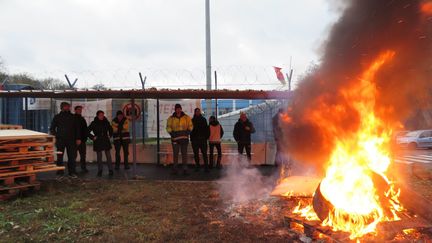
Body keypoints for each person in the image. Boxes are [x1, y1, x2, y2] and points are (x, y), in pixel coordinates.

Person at [50, 102, 81, 178]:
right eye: (66, 106)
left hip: (72, 140)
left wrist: (78, 138)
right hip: (60, 140)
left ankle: (72, 172)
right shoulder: (57, 117)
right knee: (60, 156)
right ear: (62, 107)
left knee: (72, 156)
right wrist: (57, 136)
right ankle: (60, 172)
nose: (68, 108)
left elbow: (77, 129)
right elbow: (52, 128)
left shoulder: (73, 117)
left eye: (68, 106)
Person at [166, 104, 193, 175]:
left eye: (179, 108)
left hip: (184, 139)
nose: (178, 110)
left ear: (181, 109)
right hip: (175, 139)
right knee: (175, 155)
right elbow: (168, 127)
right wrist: (172, 133)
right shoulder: (171, 118)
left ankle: (185, 169)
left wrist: (188, 132)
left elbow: (191, 126)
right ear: (175, 110)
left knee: (184, 155)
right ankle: (175, 169)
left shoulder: (187, 117)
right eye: (177, 109)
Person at [88, 110, 114, 177]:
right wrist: (93, 137)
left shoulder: (106, 122)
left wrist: (110, 135)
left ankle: (110, 170)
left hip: (105, 139)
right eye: (100, 115)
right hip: (98, 140)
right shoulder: (94, 123)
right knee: (99, 156)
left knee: (108, 155)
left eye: (103, 115)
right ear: (97, 115)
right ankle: (100, 170)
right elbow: (87, 131)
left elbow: (111, 129)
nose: (102, 116)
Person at [190, 108, 210, 172]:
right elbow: (191, 130)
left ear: (200, 112)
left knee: (204, 153)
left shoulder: (204, 120)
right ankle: (197, 166)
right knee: (196, 154)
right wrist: (192, 139)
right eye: (196, 111)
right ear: (195, 112)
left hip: (203, 139)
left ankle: (206, 167)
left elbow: (207, 129)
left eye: (198, 111)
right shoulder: (192, 120)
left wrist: (206, 137)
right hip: (195, 140)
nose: (198, 112)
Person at [74, 105, 89, 173]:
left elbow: (85, 130)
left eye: (81, 109)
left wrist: (84, 139)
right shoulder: (72, 118)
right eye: (78, 109)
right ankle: (73, 169)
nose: (80, 110)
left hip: (82, 141)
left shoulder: (82, 119)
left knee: (83, 155)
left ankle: (83, 168)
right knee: (74, 155)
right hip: (74, 141)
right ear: (75, 110)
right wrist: (76, 139)